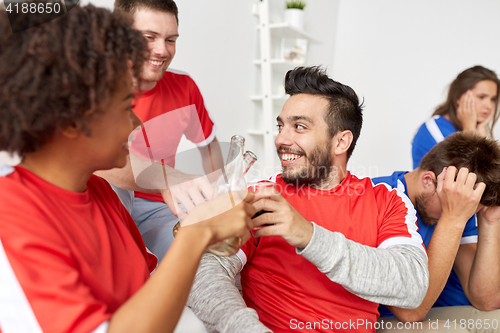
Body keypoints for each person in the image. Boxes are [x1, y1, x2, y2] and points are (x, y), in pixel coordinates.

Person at [0, 4, 255, 333]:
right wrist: (195, 234)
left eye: (170, 39)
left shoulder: (101, 196)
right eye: (126, 107)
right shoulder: (14, 214)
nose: (136, 124)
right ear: (74, 118)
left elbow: (150, 288)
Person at [186, 66, 429, 333]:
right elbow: (205, 271)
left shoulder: (387, 201)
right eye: (281, 126)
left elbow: (412, 286)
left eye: (299, 127)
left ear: (341, 142)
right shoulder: (262, 197)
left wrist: (309, 236)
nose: (281, 139)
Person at [95, 0, 223, 260]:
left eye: (171, 40)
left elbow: (210, 149)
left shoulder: (184, 87)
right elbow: (96, 161)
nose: (161, 50)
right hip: (107, 202)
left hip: (161, 208)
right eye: (148, 37)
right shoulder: (91, 81)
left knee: (202, 257)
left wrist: (217, 194)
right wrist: (168, 178)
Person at [374, 132, 500, 330]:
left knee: (497, 319)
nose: (463, 216)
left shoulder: (459, 208)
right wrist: (453, 218)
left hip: (429, 310)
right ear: (428, 180)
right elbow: (410, 311)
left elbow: (486, 300)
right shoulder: (380, 197)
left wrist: (490, 219)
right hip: (379, 318)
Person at [412, 65, 500, 169]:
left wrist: (480, 133)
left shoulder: (476, 129)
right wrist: (470, 130)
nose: (489, 106)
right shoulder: (434, 128)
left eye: (493, 99)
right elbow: (466, 174)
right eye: (481, 97)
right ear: (459, 97)